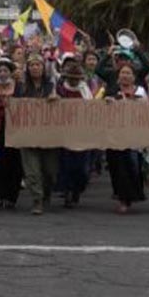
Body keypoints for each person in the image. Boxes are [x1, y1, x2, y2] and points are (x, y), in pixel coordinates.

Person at [17, 54, 59, 215]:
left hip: (48, 135)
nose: (35, 67)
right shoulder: (21, 87)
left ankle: (46, 193)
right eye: (32, 65)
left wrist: (56, 99)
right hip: (28, 134)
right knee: (32, 170)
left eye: (38, 65)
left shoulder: (51, 86)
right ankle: (37, 200)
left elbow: (62, 104)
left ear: (43, 68)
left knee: (50, 170)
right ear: (28, 68)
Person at [106, 63, 147, 214]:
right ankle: (122, 198)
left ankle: (131, 196)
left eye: (128, 73)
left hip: (134, 135)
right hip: (115, 136)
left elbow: (147, 109)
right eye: (122, 73)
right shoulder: (112, 91)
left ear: (134, 77)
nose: (125, 76)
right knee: (117, 167)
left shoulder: (141, 91)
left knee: (132, 166)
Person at [55, 54, 94, 208]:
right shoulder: (60, 90)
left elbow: (93, 108)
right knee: (66, 165)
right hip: (65, 133)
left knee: (82, 167)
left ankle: (77, 189)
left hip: (83, 134)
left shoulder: (85, 91)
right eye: (71, 78)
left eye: (76, 78)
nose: (73, 81)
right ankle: (68, 192)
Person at [0, 57, 23, 209]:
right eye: (0, 70)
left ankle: (11, 196)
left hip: (15, 129)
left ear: (10, 72)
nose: (2, 73)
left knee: (14, 162)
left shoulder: (19, 87)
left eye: (5, 70)